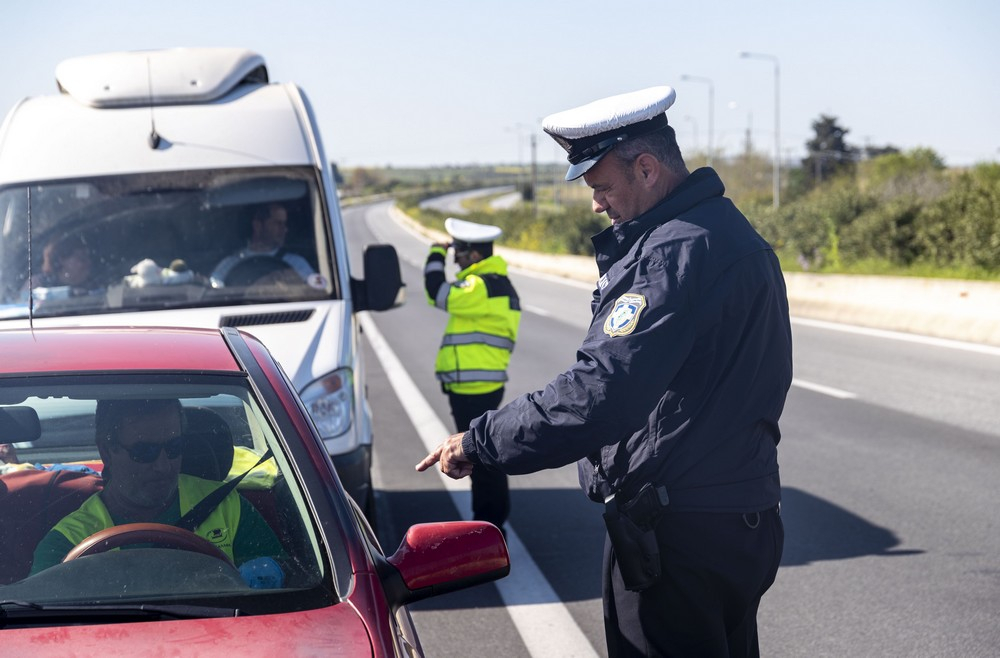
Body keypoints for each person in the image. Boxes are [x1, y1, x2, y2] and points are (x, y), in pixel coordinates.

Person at [417, 86, 793, 657]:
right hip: (743, 519)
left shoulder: (671, 255)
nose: (596, 204)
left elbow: (597, 394)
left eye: (602, 186)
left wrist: (481, 440)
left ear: (646, 168)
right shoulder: (732, 235)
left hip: (678, 533)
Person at [31, 398, 286, 589]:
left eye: (174, 447)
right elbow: (39, 624)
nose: (164, 466)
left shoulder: (227, 505)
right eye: (144, 452)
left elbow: (290, 588)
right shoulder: (67, 542)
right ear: (106, 451)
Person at [424, 218, 521, 533]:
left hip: (475, 386)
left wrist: (435, 253)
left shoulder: (481, 286)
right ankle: (490, 523)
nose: (455, 258)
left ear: (475, 256)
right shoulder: (492, 283)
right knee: (480, 453)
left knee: (480, 455)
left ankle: (489, 526)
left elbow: (435, 292)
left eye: (459, 252)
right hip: (478, 383)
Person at [210, 202, 317, 287]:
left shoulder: (297, 263)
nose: (284, 229)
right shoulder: (229, 264)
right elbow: (215, 289)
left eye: (284, 224)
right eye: (278, 223)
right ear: (257, 226)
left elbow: (313, 291)